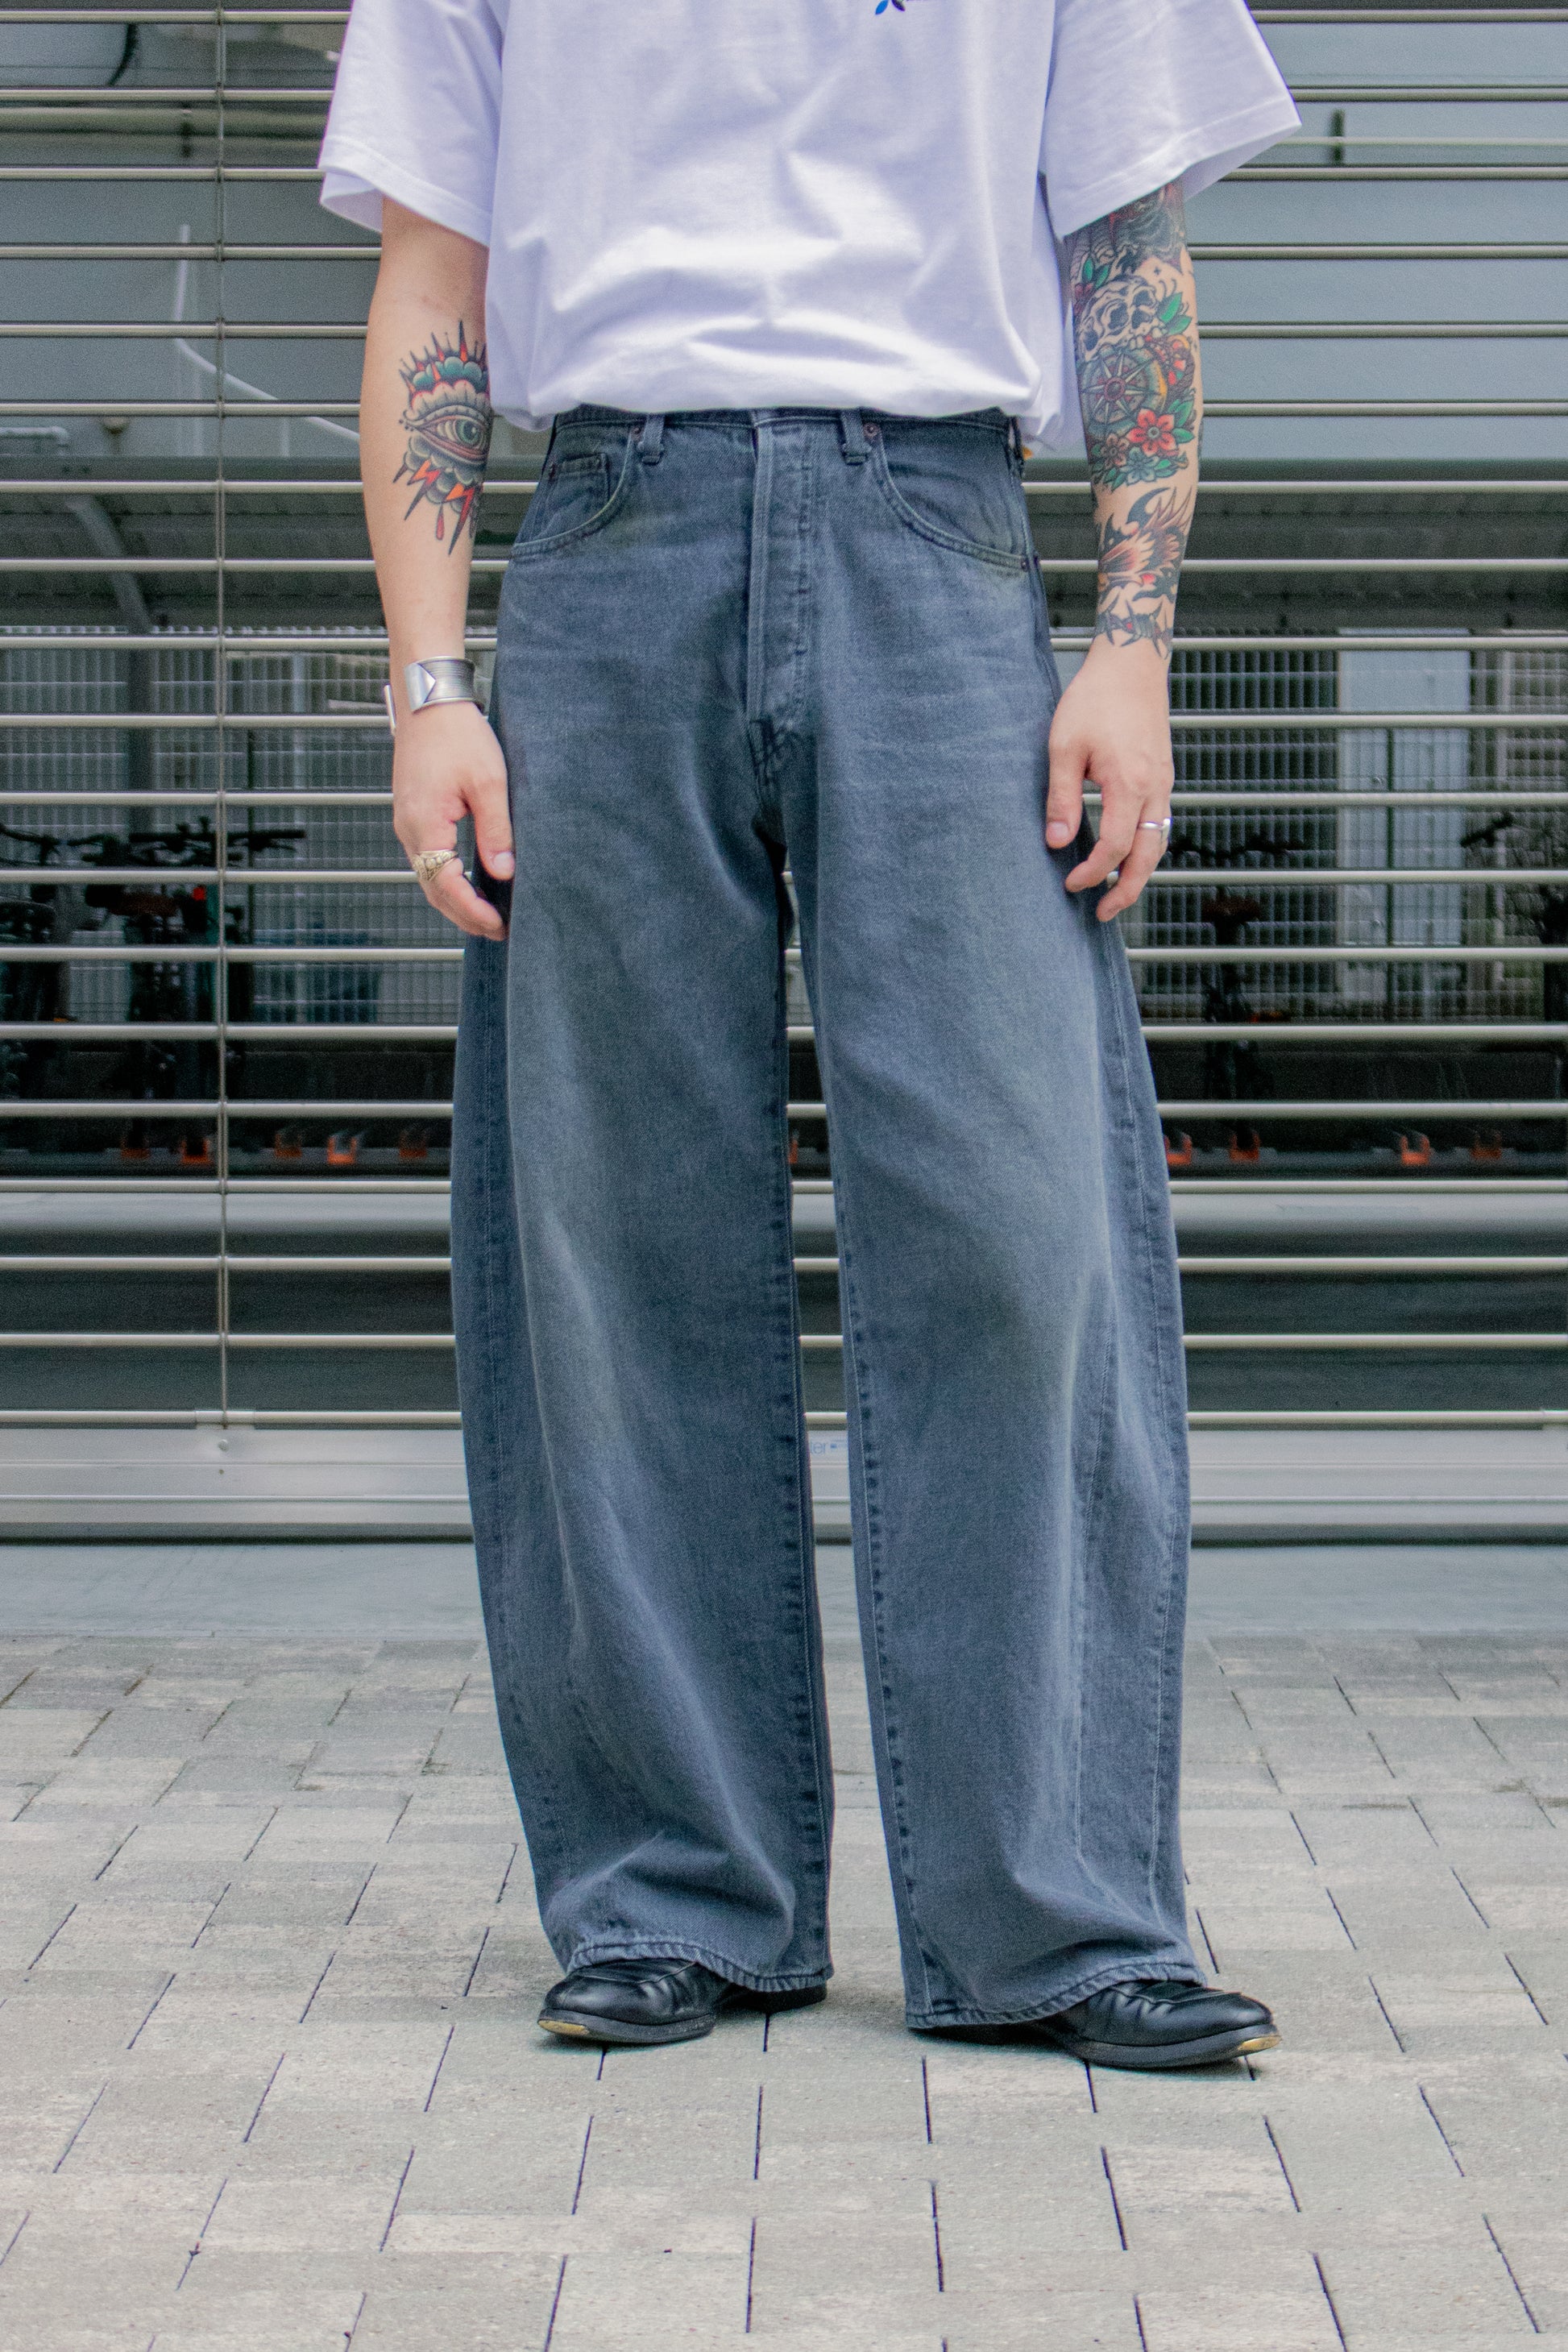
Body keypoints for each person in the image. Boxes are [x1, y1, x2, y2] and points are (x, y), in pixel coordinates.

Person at [321, 0, 1299, 2069]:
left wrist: (1131, 642)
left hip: (936, 534)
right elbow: (432, 276)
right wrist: (427, 684)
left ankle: (1057, 1910)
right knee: (613, 1240)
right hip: (610, 540)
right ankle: (674, 1892)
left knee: (1021, 1234)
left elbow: (1129, 253)